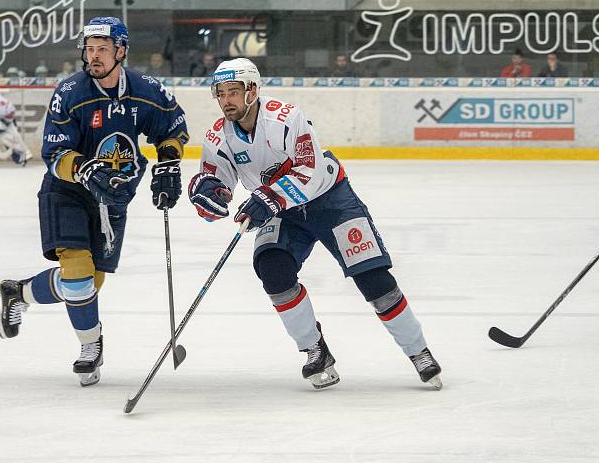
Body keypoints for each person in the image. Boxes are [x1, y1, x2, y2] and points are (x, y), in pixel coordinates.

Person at [188, 58, 442, 389]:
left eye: (233, 92)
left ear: (252, 90)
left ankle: (418, 350)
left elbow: (308, 170)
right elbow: (216, 177)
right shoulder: (218, 136)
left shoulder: (285, 118)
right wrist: (209, 194)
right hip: (283, 211)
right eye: (220, 94)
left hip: (331, 201)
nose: (226, 101)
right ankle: (315, 350)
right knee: (272, 270)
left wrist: (268, 198)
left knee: (373, 278)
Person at [0, 17, 189, 386]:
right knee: (78, 275)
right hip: (67, 191)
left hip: (114, 197)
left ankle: (17, 292)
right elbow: (53, 152)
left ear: (121, 51)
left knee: (86, 284)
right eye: (89, 49)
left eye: (102, 49)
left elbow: (172, 129)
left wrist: (169, 163)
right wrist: (83, 169)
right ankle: (90, 347)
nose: (93, 56)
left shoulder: (148, 90)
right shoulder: (71, 92)